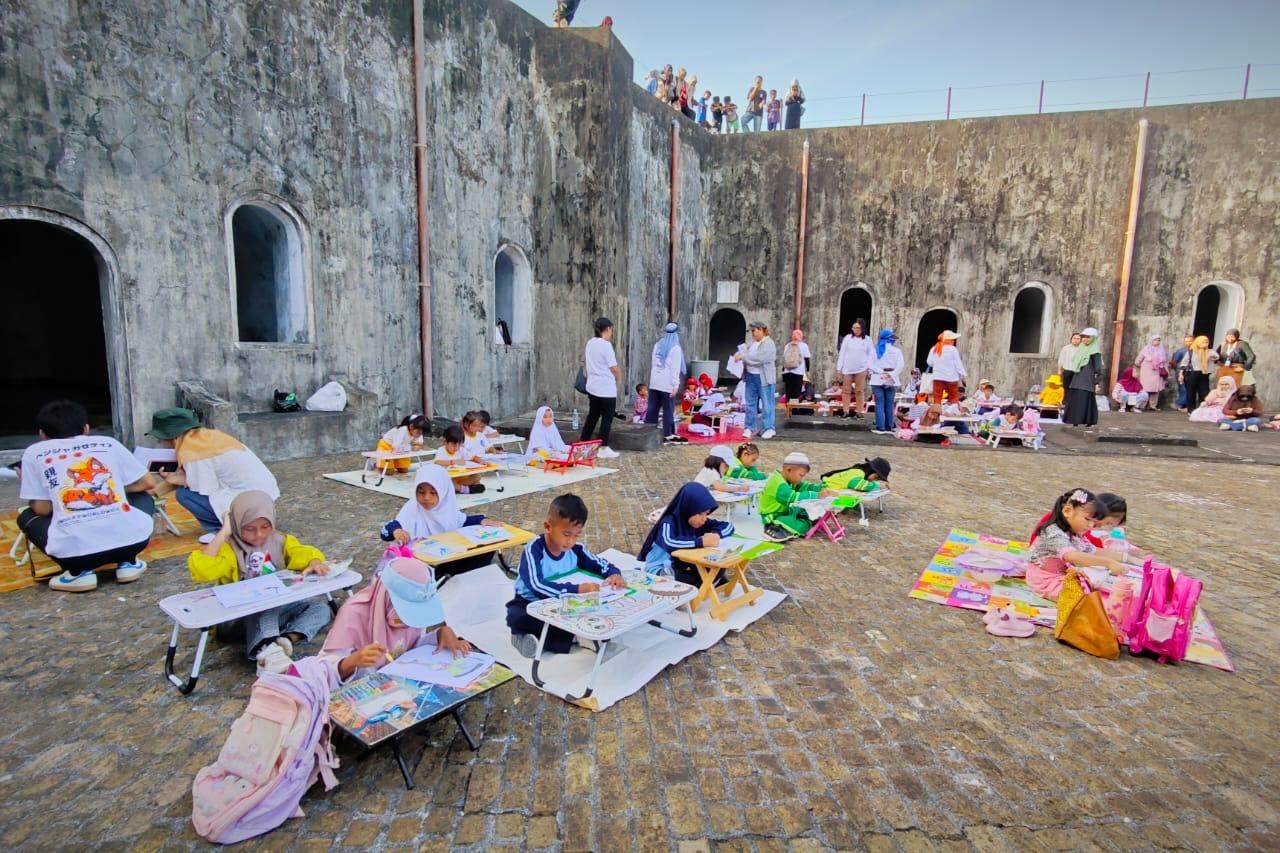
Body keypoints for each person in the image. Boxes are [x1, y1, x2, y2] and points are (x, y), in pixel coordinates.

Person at [17, 400, 156, 593]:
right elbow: (148, 483)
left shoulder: (34, 453)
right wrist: (114, 490)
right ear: (86, 428)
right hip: (134, 543)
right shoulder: (108, 443)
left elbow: (43, 509)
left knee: (26, 516)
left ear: (42, 434)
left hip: (76, 555)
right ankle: (128, 563)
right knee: (143, 497)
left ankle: (79, 574)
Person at [187, 490, 332, 672]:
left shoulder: (280, 541)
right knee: (267, 606)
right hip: (235, 618)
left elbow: (302, 553)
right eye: (249, 529)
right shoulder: (229, 548)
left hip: (273, 610)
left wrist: (314, 562)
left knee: (320, 608)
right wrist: (224, 532)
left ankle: (284, 641)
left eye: (265, 526)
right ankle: (267, 652)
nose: (259, 535)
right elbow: (202, 570)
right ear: (237, 525)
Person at [506, 494, 624, 658]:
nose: (571, 541)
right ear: (548, 527)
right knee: (516, 617)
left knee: (596, 611)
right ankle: (571, 637)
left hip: (565, 603)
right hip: (531, 602)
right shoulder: (534, 549)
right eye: (566, 534)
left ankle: (569, 637)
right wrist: (576, 590)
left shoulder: (576, 549)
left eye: (576, 535)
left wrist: (614, 574)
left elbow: (598, 563)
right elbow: (536, 584)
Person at [321, 558, 470, 683]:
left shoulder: (412, 615)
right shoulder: (353, 613)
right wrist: (352, 662)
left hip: (400, 685)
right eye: (407, 608)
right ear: (387, 596)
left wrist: (440, 634)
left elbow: (409, 647)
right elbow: (323, 672)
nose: (409, 620)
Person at [146, 407, 279, 541]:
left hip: (249, 502)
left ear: (172, 437)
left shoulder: (193, 451)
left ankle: (222, 530)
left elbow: (206, 488)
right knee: (186, 488)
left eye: (161, 439)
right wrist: (165, 485)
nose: (162, 443)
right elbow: (194, 478)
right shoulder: (206, 437)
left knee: (184, 494)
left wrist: (175, 480)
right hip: (265, 497)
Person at [380, 466, 503, 575]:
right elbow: (386, 531)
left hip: (446, 556)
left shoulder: (447, 507)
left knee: (487, 548)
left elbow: (461, 520)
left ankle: (451, 578)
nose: (426, 498)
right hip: (420, 564)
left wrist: (481, 520)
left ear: (444, 491)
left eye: (433, 493)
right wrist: (396, 530)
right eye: (421, 492)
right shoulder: (412, 508)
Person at [1025, 488, 1126, 600]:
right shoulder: (1053, 532)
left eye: (1094, 522)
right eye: (1088, 519)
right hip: (1044, 580)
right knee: (1085, 593)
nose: (1091, 526)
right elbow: (1071, 555)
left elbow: (1094, 551)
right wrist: (1108, 562)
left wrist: (1126, 558)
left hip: (1059, 575)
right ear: (1067, 511)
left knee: (1095, 578)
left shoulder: (1074, 533)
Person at [639, 483, 736, 584]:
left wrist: (716, 534)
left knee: (718, 566)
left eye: (706, 513)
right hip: (662, 568)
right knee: (693, 580)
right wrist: (700, 542)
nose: (704, 518)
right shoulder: (668, 522)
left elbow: (729, 526)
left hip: (684, 565)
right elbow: (669, 542)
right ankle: (706, 585)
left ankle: (707, 584)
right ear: (688, 508)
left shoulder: (699, 521)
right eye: (700, 513)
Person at [760, 451, 834, 542]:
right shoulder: (778, 483)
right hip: (773, 516)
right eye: (801, 475)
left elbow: (803, 486)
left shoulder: (788, 478)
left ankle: (804, 521)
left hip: (785, 511)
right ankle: (776, 528)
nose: (801, 478)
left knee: (804, 510)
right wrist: (817, 495)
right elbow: (793, 497)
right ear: (788, 470)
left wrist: (820, 488)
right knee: (801, 525)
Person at [580, 317, 621, 459]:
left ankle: (583, 442)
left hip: (592, 386)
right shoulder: (606, 345)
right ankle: (603, 447)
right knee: (607, 418)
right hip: (606, 388)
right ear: (608, 328)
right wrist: (618, 379)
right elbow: (614, 368)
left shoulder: (590, 343)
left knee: (592, 416)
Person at [734, 321, 778, 440]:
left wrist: (743, 357)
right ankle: (749, 427)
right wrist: (738, 355)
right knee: (750, 403)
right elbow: (742, 351)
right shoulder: (752, 343)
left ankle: (769, 428)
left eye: (754, 330)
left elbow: (759, 359)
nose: (752, 333)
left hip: (764, 378)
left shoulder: (769, 344)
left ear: (761, 330)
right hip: (751, 376)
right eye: (751, 331)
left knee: (767, 404)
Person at [645, 321, 685, 445]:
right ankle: (667, 433)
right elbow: (675, 369)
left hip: (655, 381)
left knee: (652, 407)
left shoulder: (658, 345)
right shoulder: (676, 348)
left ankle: (648, 431)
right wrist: (675, 385)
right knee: (668, 409)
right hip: (667, 383)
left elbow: (653, 362)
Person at [1063, 327, 1104, 427]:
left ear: (1093, 338)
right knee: (1075, 400)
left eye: (1088, 337)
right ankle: (1075, 421)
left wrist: (1096, 382)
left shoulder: (1095, 352)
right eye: (1083, 337)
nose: (1085, 339)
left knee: (1085, 401)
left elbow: (1099, 369)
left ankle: (1088, 421)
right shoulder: (1081, 349)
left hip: (1087, 380)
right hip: (1077, 378)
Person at [868, 329, 904, 434]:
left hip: (877, 378)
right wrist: (891, 374)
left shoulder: (875, 350)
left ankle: (880, 426)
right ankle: (889, 425)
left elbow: (870, 364)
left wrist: (881, 372)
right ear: (891, 339)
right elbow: (900, 366)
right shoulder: (897, 351)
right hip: (892, 379)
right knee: (889, 403)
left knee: (879, 403)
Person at [836, 319, 874, 418]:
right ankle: (846, 411)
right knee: (846, 390)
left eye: (858, 328)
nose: (855, 330)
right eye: (854, 328)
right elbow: (842, 354)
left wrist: (870, 370)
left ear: (862, 328)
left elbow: (871, 355)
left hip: (861, 369)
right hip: (848, 368)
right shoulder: (848, 338)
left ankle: (859, 411)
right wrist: (839, 369)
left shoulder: (867, 340)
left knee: (859, 390)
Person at [433, 424, 485, 494]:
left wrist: (479, 460)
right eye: (454, 445)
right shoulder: (441, 450)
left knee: (477, 476)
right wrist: (454, 462)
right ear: (445, 442)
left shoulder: (461, 449)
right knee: (446, 481)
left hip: (460, 477)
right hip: (449, 478)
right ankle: (466, 490)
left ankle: (458, 488)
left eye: (459, 444)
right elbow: (437, 462)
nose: (457, 448)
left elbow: (472, 456)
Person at [926, 330, 966, 405]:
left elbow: (929, 362)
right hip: (951, 378)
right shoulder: (953, 349)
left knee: (937, 398)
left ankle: (937, 414)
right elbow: (958, 364)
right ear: (950, 340)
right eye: (953, 340)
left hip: (938, 377)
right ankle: (954, 413)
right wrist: (963, 375)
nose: (953, 341)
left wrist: (938, 365)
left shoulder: (934, 348)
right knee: (954, 397)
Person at [1184, 334, 1218, 413]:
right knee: (1191, 392)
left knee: (1204, 392)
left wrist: (1208, 354)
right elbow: (1184, 364)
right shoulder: (1191, 351)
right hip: (1192, 373)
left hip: (1204, 373)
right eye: (1203, 342)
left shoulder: (1210, 351)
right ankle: (1191, 409)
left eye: (1207, 342)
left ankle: (1202, 409)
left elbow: (1216, 356)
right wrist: (1181, 374)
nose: (1205, 344)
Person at [1134, 334, 1168, 410]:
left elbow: (1165, 362)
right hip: (1147, 372)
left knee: (1156, 389)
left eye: (1159, 340)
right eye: (1155, 340)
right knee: (1145, 388)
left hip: (1157, 373)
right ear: (1151, 341)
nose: (1157, 342)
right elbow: (1137, 361)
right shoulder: (1146, 349)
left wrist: (1166, 372)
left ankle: (1153, 405)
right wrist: (1142, 367)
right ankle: (1142, 405)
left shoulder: (1161, 350)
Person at [820, 457, 890, 492]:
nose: (874, 480)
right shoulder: (858, 472)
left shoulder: (859, 470)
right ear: (871, 471)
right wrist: (879, 486)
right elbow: (861, 485)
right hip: (828, 490)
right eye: (876, 477)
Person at [781, 329, 811, 402]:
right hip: (798, 372)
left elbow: (785, 358)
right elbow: (807, 359)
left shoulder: (787, 345)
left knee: (788, 392)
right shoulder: (804, 346)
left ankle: (789, 410)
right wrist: (808, 371)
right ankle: (794, 409)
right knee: (796, 392)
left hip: (787, 372)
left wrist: (783, 370)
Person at [1170, 334, 1194, 411]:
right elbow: (1174, 362)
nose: (1188, 343)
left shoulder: (1196, 350)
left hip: (1192, 373)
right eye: (1186, 341)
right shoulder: (1181, 351)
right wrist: (1178, 370)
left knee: (1189, 389)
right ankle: (1178, 404)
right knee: (1183, 389)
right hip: (1182, 373)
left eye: (1190, 341)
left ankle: (1185, 405)